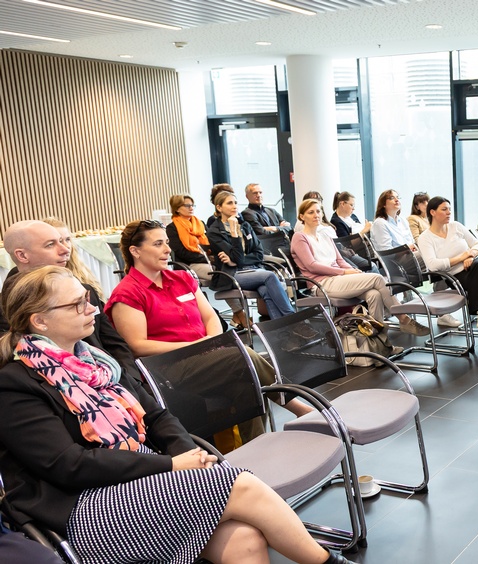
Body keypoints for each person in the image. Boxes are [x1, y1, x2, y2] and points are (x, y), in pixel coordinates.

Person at [0, 266, 345, 564]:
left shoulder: (96, 364)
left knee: (243, 537)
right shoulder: (15, 384)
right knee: (237, 483)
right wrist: (171, 466)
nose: (92, 308)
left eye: (88, 297)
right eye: (78, 304)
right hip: (82, 510)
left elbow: (157, 417)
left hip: (138, 479)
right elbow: (69, 465)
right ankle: (326, 561)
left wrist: (184, 454)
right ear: (39, 320)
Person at [105, 220, 313, 446]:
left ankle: (256, 449)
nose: (167, 249)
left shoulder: (182, 279)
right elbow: (137, 345)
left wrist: (211, 341)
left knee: (246, 384)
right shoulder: (127, 293)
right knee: (244, 356)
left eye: (166, 242)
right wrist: (196, 347)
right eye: (158, 244)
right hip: (168, 367)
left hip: (206, 357)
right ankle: (298, 405)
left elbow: (210, 317)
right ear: (135, 251)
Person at [0, 220, 135, 374]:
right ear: (22, 255)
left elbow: (115, 343)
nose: (65, 250)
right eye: (50, 244)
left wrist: (131, 381)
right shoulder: (9, 305)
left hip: (113, 377)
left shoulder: (85, 289)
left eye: (64, 241)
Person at [290, 200, 430, 336]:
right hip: (321, 284)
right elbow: (311, 266)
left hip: (339, 279)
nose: (316, 215)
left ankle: (380, 341)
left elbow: (339, 260)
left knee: (374, 295)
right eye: (310, 212)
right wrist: (345, 272)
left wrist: (353, 271)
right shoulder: (299, 237)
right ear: (302, 216)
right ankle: (404, 319)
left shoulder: (325, 236)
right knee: (377, 278)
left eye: (318, 211)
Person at [417, 197, 478, 358]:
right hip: (452, 276)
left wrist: (471, 254)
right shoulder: (425, 238)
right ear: (432, 212)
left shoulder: (456, 226)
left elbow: (477, 244)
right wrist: (461, 257)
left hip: (473, 267)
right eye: (444, 209)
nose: (449, 212)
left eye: (449, 208)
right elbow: (433, 265)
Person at [165, 194, 249, 330]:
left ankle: (237, 314)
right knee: (222, 275)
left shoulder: (200, 223)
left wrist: (216, 255)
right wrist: (207, 258)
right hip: (190, 265)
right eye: (187, 205)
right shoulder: (172, 227)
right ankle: (240, 313)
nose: (191, 208)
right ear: (177, 209)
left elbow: (211, 245)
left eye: (192, 205)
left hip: (208, 260)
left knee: (227, 270)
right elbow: (181, 252)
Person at [207, 192, 296, 320]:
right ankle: (292, 318)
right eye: (229, 203)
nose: (234, 206)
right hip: (231, 273)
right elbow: (237, 257)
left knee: (266, 290)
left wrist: (237, 261)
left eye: (235, 203)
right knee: (270, 276)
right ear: (219, 207)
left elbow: (259, 254)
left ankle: (281, 331)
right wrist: (233, 232)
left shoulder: (245, 225)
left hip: (252, 269)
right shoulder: (214, 231)